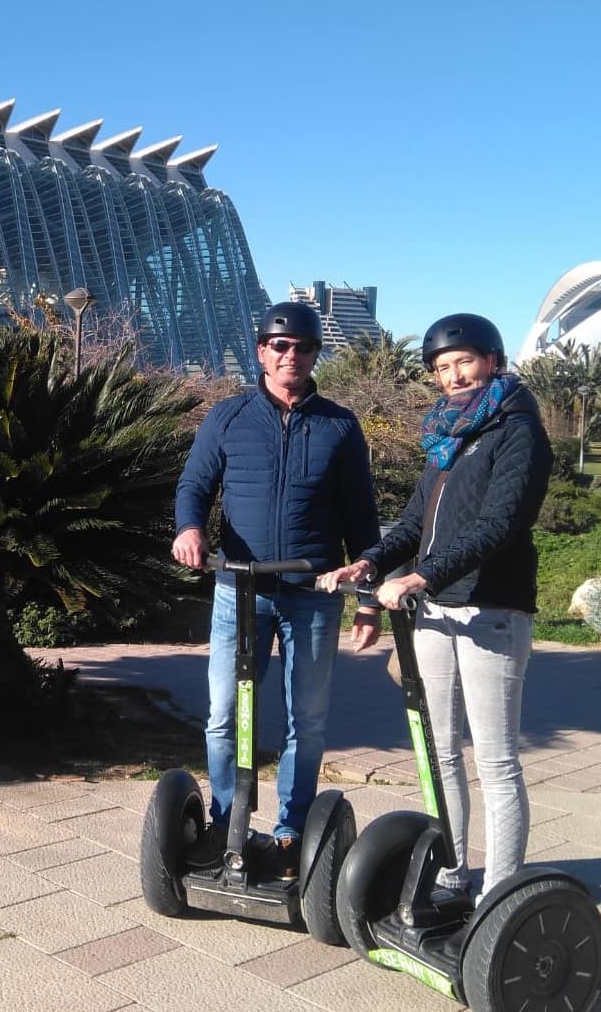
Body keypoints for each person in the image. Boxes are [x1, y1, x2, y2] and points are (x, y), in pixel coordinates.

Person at [317, 313, 552, 902]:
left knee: (496, 762)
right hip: (435, 611)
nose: (453, 375)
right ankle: (451, 874)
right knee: (438, 749)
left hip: (489, 611)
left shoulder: (518, 430)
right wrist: (368, 564)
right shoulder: (449, 439)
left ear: (492, 361)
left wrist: (421, 574)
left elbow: (501, 524)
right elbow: (414, 522)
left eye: (464, 362)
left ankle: (500, 896)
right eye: (443, 367)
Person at [173, 301, 383, 874]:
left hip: (314, 592)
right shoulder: (228, 416)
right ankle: (226, 822)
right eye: (280, 346)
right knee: (222, 715)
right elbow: (194, 484)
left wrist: (368, 599)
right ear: (262, 350)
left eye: (303, 348)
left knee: (307, 721)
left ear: (316, 355)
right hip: (238, 592)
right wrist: (188, 528)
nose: (291, 356)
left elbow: (364, 518)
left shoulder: (339, 424)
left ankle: (291, 832)